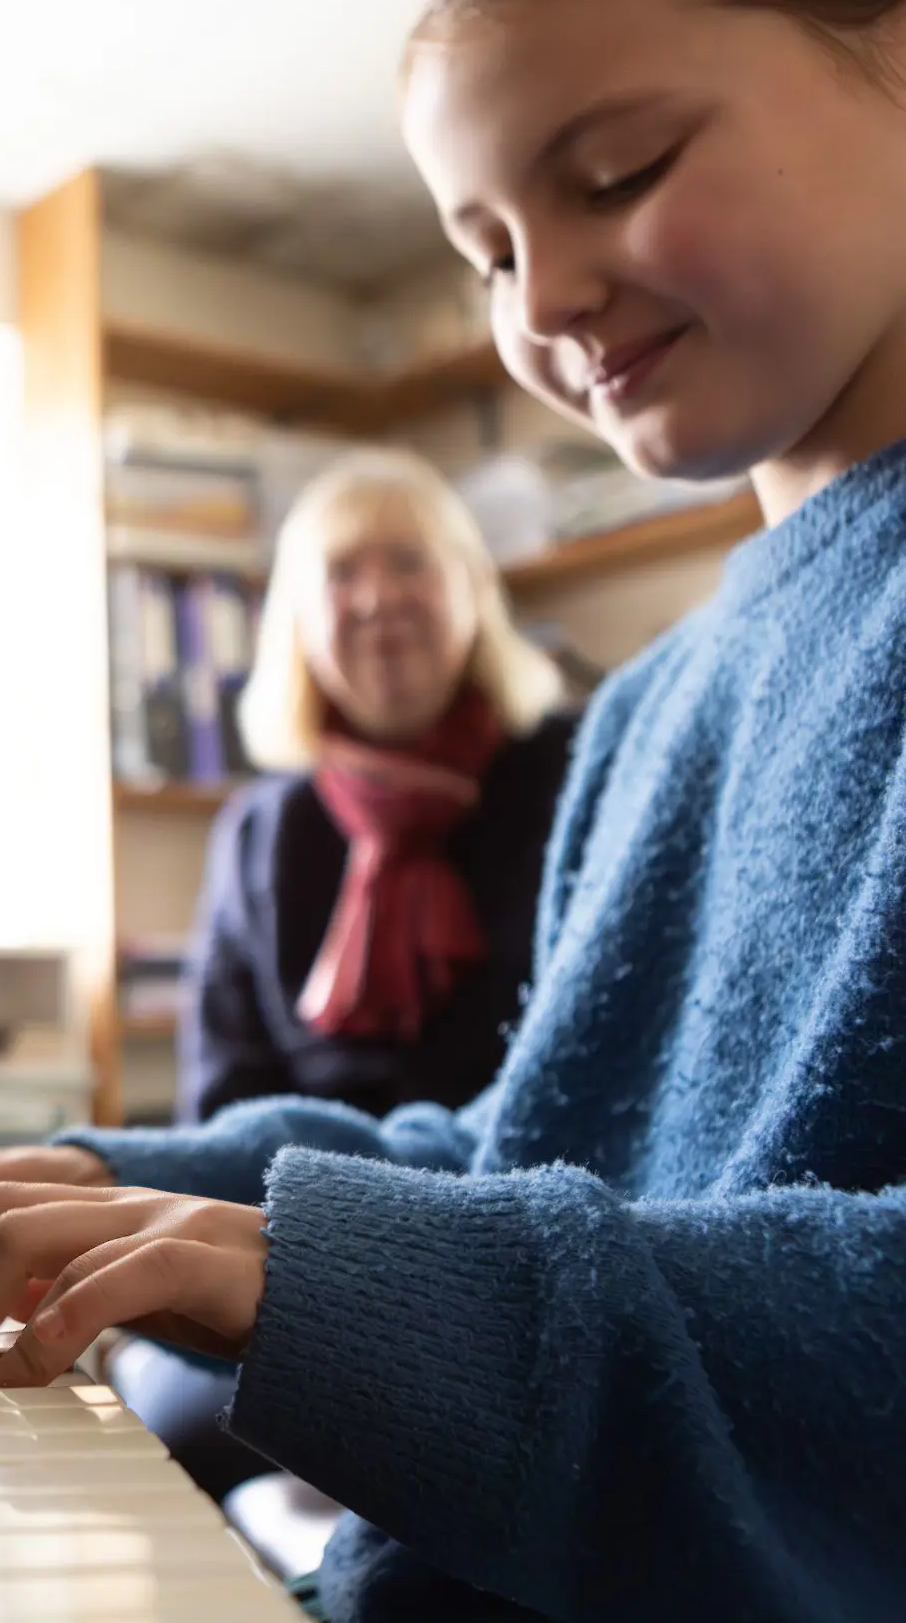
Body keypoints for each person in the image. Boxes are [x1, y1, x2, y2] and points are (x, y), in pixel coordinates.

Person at [0, 0, 906, 1623]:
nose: (549, 298)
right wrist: (113, 1173)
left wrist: (387, 1297)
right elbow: (527, 1147)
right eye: (491, 251)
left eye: (618, 175)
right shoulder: (648, 704)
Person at [116, 449, 572, 1496]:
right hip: (297, 1257)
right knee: (155, 1427)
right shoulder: (257, 832)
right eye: (339, 574)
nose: (375, 601)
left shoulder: (573, 775)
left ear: (470, 592)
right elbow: (219, 1106)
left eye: (409, 563)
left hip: (509, 1266)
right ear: (296, 623)